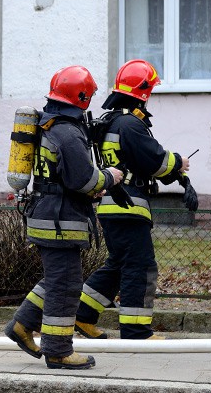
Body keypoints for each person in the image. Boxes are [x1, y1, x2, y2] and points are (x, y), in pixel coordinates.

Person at [4, 66, 124, 370]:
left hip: (47, 214)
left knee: (57, 279)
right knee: (66, 286)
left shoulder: (50, 125)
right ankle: (58, 350)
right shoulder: (69, 133)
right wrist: (110, 176)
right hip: (60, 221)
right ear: (81, 97)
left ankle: (21, 326)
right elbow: (84, 180)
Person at [74, 60, 194, 340]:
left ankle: (82, 315)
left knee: (118, 264)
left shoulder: (115, 121)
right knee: (140, 266)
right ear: (142, 91)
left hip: (113, 205)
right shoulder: (130, 124)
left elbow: (139, 161)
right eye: (149, 89)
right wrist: (180, 163)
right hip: (129, 206)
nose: (150, 94)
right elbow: (154, 160)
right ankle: (136, 330)